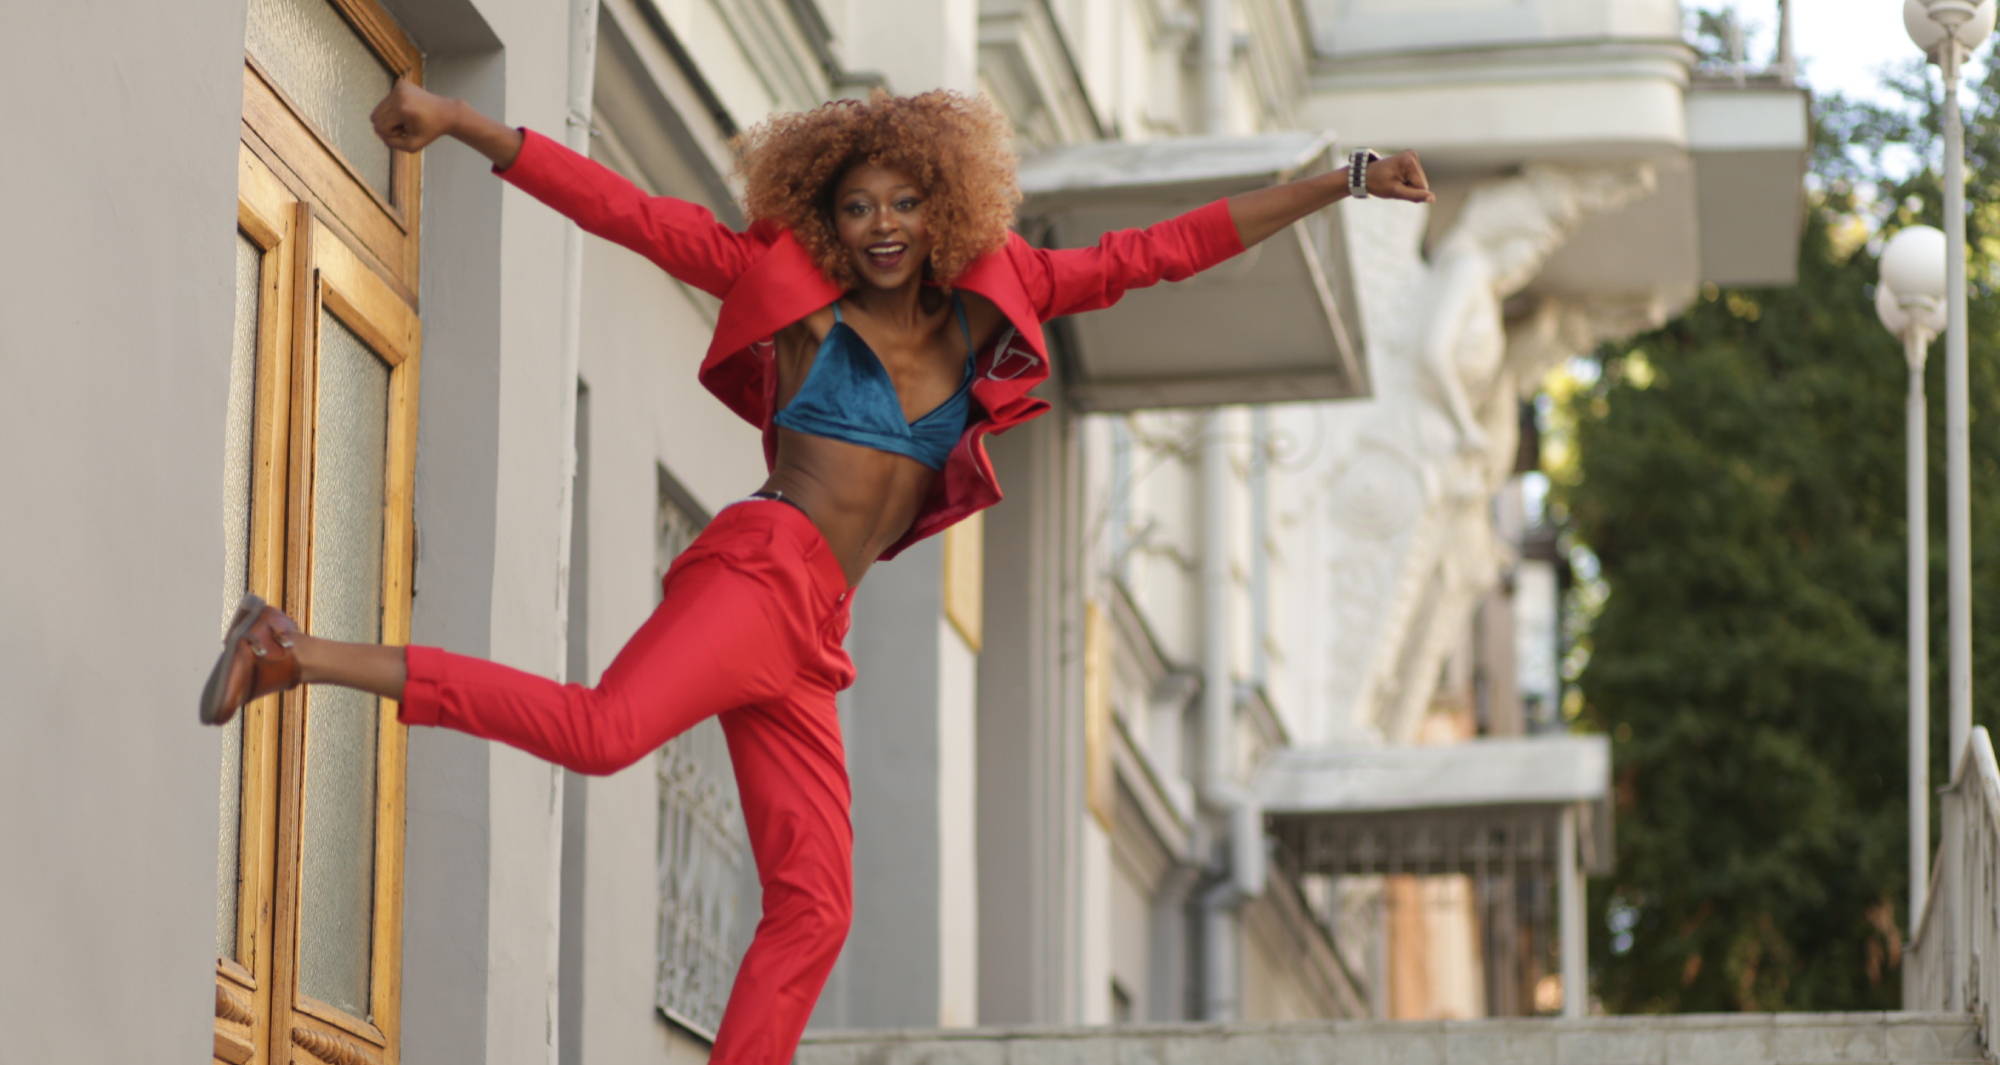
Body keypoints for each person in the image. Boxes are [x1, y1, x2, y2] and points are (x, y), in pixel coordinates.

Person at [198, 81, 1431, 1064]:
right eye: (857, 209)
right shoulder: (780, 296)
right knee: (601, 732)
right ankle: (291, 651)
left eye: (903, 203)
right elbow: (628, 211)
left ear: (938, 206)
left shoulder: (1001, 300)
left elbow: (1169, 247)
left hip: (813, 626)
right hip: (757, 569)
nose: (883, 226)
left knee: (815, 903)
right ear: (824, 220)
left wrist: (1339, 183)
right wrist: (469, 123)